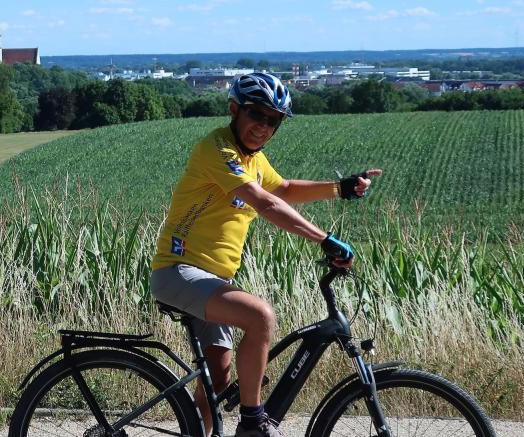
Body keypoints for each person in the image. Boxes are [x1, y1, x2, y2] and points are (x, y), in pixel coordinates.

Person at [150, 72, 381, 437]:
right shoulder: (219, 150)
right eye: (257, 114)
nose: (263, 126)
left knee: (219, 375)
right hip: (179, 271)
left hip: (213, 280)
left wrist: (340, 189)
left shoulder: (253, 159)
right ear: (234, 110)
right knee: (261, 317)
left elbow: (284, 188)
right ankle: (253, 423)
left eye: (273, 120)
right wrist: (325, 239)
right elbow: (266, 202)